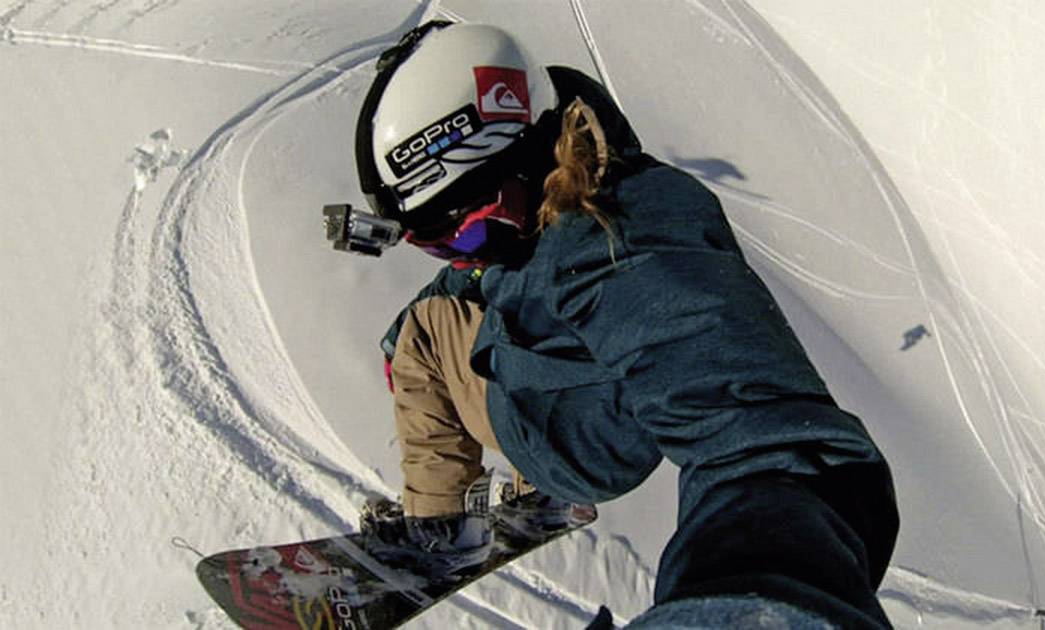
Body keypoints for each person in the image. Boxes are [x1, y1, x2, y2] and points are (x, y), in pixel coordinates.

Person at [341, 20, 900, 628]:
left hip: (563, 442)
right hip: (594, 421)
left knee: (421, 335)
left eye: (467, 230)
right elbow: (486, 271)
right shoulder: (578, 189)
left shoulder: (627, 252)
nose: (467, 252)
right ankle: (535, 492)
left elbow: (770, 444)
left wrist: (754, 606)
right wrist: (469, 254)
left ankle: (439, 528)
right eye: (438, 244)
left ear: (520, 157)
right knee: (476, 308)